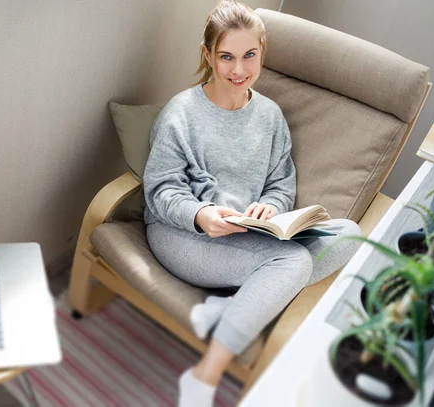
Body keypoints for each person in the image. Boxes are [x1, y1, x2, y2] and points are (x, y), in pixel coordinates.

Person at [142, 1, 362, 406]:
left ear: (262, 52)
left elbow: (280, 184)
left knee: (350, 235)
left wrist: (270, 208)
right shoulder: (182, 113)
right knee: (293, 262)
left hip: (246, 234)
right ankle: (205, 375)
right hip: (181, 233)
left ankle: (224, 312)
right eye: (226, 56)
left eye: (249, 56)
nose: (238, 70)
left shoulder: (271, 117)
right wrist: (200, 214)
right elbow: (160, 191)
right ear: (207, 55)